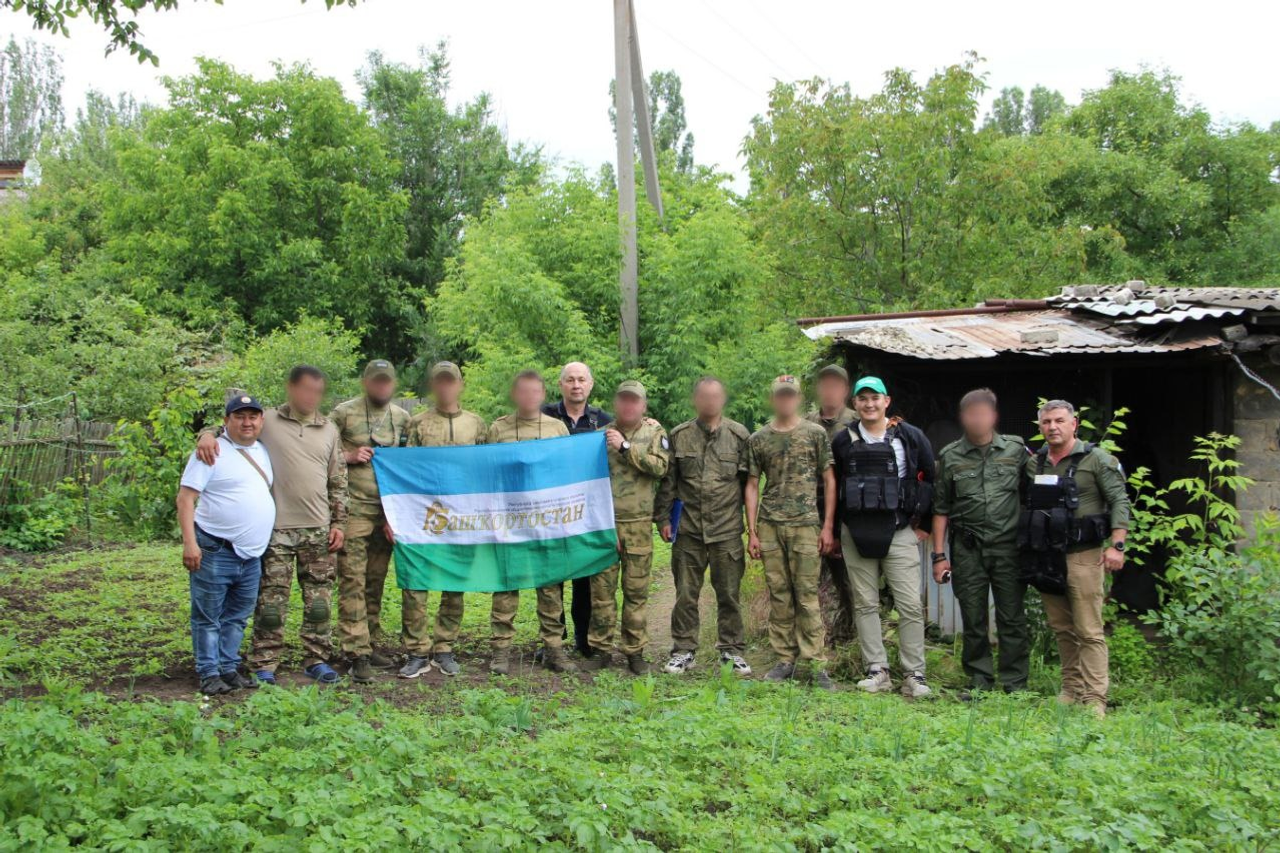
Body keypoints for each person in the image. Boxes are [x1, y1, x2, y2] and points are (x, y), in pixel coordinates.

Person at [194, 366, 349, 686]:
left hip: (318, 529)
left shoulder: (330, 429)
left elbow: (338, 480)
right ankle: (264, 662)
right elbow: (233, 425)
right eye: (305, 389)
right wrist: (205, 434)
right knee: (270, 604)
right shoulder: (268, 421)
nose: (310, 397)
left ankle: (316, 658)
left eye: (317, 391)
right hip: (276, 531)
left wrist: (339, 522)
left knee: (319, 603)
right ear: (291, 389)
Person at [1020, 399, 1130, 718]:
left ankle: (1095, 698)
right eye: (1046, 422)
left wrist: (1117, 545)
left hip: (1085, 556)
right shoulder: (1035, 463)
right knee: (1062, 627)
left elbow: (1119, 501)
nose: (1052, 427)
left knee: (1089, 630)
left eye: (1058, 421)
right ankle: (1072, 689)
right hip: (1047, 556)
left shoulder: (1097, 460)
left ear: (1074, 424)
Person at [834, 376, 936, 699]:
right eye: (862, 398)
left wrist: (925, 526)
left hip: (899, 531)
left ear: (886, 401)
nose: (869, 404)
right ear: (855, 404)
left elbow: (930, 480)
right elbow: (833, 486)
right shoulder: (842, 440)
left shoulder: (910, 437)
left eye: (875, 398)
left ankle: (914, 674)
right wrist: (834, 530)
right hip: (856, 532)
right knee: (865, 604)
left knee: (909, 605)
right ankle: (877, 670)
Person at [931, 388, 1030, 695]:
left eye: (983, 413)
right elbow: (941, 509)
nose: (978, 419)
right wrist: (938, 556)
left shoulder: (1015, 450)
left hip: (1008, 549)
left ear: (994, 416)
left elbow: (1034, 493)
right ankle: (979, 680)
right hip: (968, 550)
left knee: (1011, 617)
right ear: (963, 418)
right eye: (971, 413)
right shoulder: (950, 456)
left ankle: (1014, 683)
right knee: (973, 618)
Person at [177, 395, 275, 696]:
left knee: (237, 615)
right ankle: (208, 672)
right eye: (239, 417)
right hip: (216, 548)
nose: (247, 422)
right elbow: (185, 498)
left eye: (253, 416)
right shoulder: (211, 451)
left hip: (251, 554)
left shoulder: (261, 450)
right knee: (208, 616)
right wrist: (190, 544)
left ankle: (228, 667)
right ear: (226, 421)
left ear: (261, 420)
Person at [655, 376, 752, 676]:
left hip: (726, 530)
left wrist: (753, 528)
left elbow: (748, 484)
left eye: (715, 396)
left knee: (729, 594)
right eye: (704, 397)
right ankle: (683, 650)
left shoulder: (739, 435)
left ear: (723, 400)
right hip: (689, 530)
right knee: (685, 594)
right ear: (695, 400)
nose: (710, 402)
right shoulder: (680, 434)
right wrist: (663, 519)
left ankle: (731, 651)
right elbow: (669, 482)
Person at [745, 375, 837, 690]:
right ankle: (785, 659)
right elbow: (753, 484)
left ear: (798, 398)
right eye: (780, 396)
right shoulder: (759, 439)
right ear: (773, 400)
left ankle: (815, 663)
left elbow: (829, 480)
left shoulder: (815, 434)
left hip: (806, 524)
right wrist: (752, 531)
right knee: (780, 595)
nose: (785, 401)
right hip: (771, 525)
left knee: (807, 596)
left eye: (791, 396)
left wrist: (827, 527)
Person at [399, 361, 487, 680]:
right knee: (416, 585)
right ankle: (416, 651)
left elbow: (485, 471)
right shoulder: (417, 424)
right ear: (432, 386)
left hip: (463, 519)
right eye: (440, 382)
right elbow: (405, 471)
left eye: (451, 381)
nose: (445, 387)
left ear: (460, 385)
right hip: (424, 519)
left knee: (454, 585)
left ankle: (444, 648)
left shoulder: (477, 425)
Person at [487, 370, 576, 675]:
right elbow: (487, 474)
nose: (529, 397)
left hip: (547, 522)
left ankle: (554, 648)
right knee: (507, 586)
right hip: (510, 522)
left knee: (550, 587)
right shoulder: (498, 429)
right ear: (515, 394)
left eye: (535, 391)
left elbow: (567, 475)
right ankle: (500, 650)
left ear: (542, 395)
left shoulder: (556, 429)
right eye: (523, 391)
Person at [330, 360, 412, 683]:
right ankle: (356, 652)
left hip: (387, 512)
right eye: (376, 381)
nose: (382, 387)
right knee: (352, 579)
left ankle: (371, 640)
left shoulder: (404, 418)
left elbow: (412, 464)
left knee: (375, 579)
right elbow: (316, 448)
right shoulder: (343, 414)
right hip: (354, 509)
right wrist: (347, 457)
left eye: (387, 382)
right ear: (365, 382)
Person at [581, 380, 670, 675]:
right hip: (606, 526)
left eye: (634, 401)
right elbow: (587, 483)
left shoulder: (654, 432)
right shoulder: (598, 437)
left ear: (643, 406)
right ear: (615, 404)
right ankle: (601, 650)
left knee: (636, 591)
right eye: (623, 400)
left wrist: (625, 447)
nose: (628, 405)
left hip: (639, 525)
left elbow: (660, 468)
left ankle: (635, 652)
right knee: (602, 592)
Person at [542, 361, 613, 655]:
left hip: (586, 513)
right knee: (551, 579)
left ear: (591, 384)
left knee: (584, 579)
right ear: (561, 385)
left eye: (581, 379)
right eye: (570, 380)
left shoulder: (603, 420)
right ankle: (553, 642)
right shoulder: (544, 416)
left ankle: (584, 640)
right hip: (550, 510)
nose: (576, 385)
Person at [805, 364, 858, 644]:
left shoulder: (857, 423)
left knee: (848, 581)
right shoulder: (805, 422)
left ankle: (851, 638)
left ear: (846, 390)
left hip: (844, 510)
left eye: (836, 385)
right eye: (825, 384)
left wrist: (836, 528)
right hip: (809, 510)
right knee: (807, 581)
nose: (830, 390)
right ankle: (814, 639)